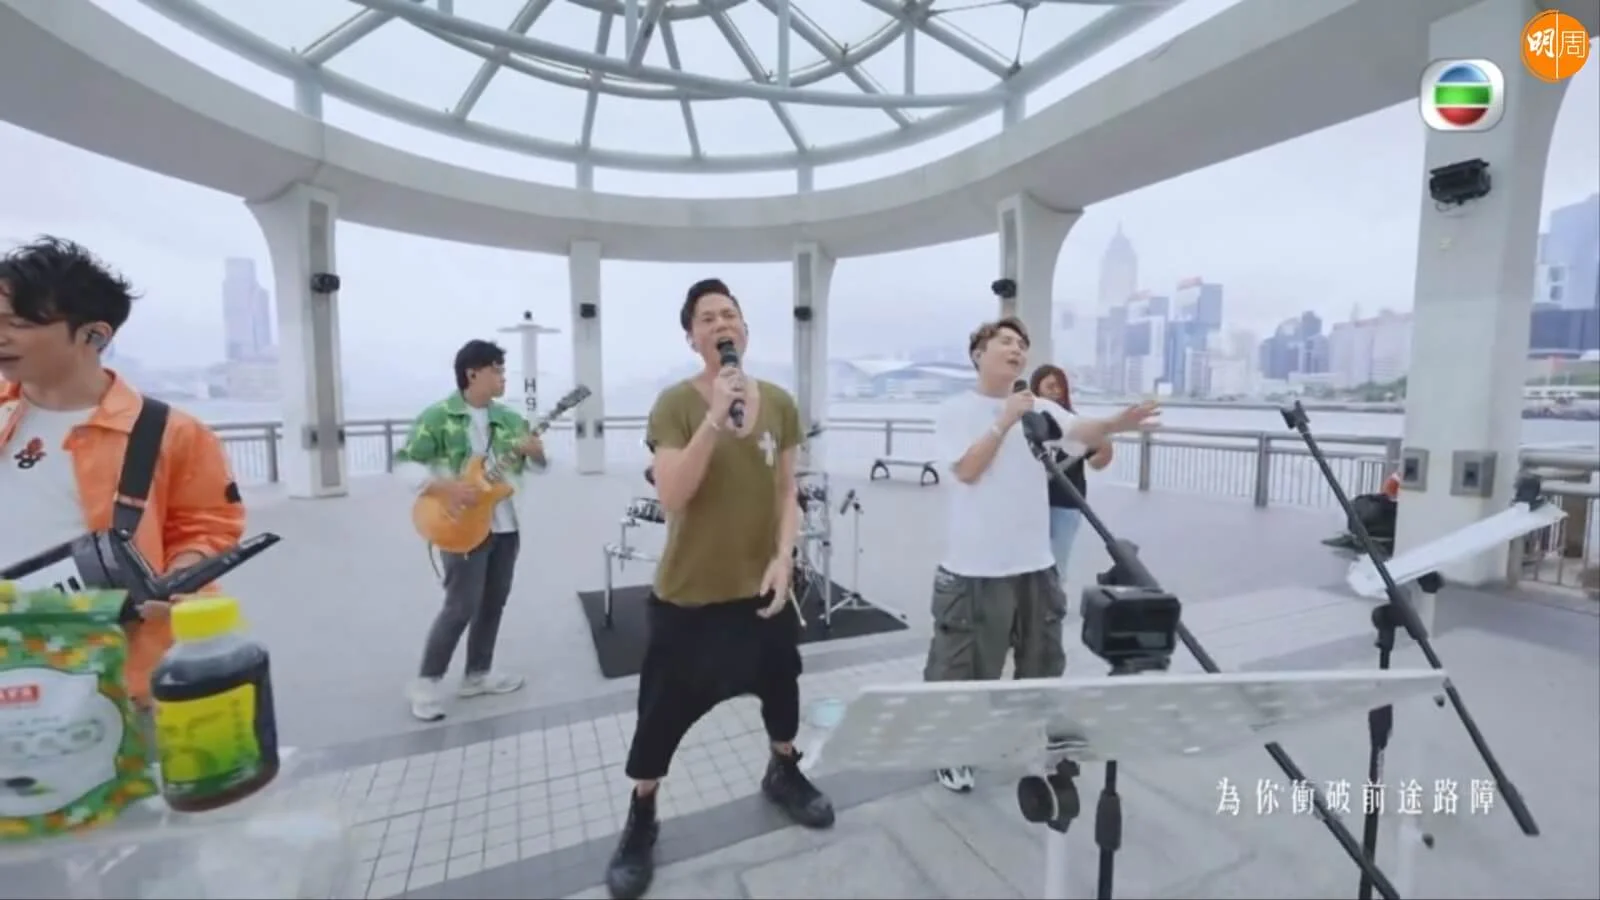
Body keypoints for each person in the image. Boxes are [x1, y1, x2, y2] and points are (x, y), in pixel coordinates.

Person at [604, 278, 833, 900]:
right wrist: (713, 418)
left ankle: (783, 770)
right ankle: (642, 813)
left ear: (745, 330)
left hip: (761, 589)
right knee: (661, 713)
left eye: (729, 314)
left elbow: (787, 492)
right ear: (692, 338)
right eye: (706, 318)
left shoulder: (779, 403)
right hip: (689, 596)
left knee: (781, 685)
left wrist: (785, 558)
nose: (721, 324)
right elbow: (673, 493)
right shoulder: (674, 405)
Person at [0, 236, 246, 729]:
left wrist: (179, 578)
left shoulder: (171, 432)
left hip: (114, 671)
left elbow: (207, 527)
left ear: (93, 335)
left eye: (19, 323)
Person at [927, 317, 1159, 793]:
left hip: (1035, 565)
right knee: (966, 670)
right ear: (978, 353)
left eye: (1022, 344)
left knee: (1042, 663)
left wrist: (1116, 423)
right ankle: (952, 751)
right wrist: (1003, 421)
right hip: (975, 569)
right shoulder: (954, 411)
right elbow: (967, 470)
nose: (1017, 350)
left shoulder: (1042, 410)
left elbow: (1081, 429)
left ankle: (1033, 739)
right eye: (1006, 342)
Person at [394, 339, 546, 722]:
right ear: (472, 373)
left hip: (506, 525)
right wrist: (445, 488)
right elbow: (404, 463)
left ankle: (478, 674)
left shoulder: (509, 419)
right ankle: (426, 683)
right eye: (497, 370)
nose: (503, 377)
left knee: (494, 601)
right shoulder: (438, 417)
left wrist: (536, 453)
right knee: (460, 605)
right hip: (461, 525)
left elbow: (537, 467)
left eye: (503, 370)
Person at [1029, 364, 1113, 583]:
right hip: (1031, 504)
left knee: (1057, 564)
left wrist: (1104, 448)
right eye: (1050, 386)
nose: (1056, 391)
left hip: (1066, 504)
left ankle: (1053, 602)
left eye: (1061, 387)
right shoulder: (1024, 425)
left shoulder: (1075, 424)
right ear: (1036, 389)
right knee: (1029, 564)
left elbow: (1097, 461)